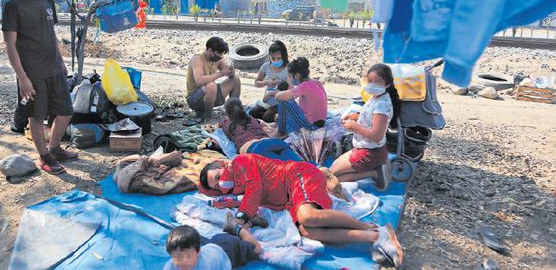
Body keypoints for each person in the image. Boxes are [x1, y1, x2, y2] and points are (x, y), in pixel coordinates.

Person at [198, 154, 403, 268]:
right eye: (216, 185)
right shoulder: (235, 188)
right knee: (307, 232)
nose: (220, 183)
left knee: (308, 216)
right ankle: (373, 237)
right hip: (289, 200)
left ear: (222, 164)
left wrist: (242, 217)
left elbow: (255, 189)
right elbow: (231, 200)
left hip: (296, 176)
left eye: (217, 176)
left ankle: (375, 228)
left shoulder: (242, 161)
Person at [2, 0, 77, 175]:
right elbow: (10, 45)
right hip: (32, 71)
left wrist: (61, 61)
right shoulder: (13, 4)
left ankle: (54, 148)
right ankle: (44, 156)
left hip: (54, 66)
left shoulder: (47, 0)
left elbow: (51, 34)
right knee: (37, 115)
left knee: (66, 111)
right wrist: (23, 79)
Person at [329, 64, 400, 190]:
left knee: (331, 178)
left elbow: (377, 136)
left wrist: (354, 126)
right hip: (367, 148)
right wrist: (355, 116)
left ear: (387, 83)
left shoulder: (382, 106)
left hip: (369, 152)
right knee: (332, 172)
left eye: (377, 81)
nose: (372, 84)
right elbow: (370, 118)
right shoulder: (377, 97)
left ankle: (375, 173)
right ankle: (376, 168)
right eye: (370, 81)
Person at [216, 97, 301, 161]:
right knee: (302, 164)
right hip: (272, 142)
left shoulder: (226, 122)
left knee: (289, 167)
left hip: (255, 148)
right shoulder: (251, 118)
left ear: (227, 112)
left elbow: (215, 127)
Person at [186, 37, 241, 122]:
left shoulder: (217, 59)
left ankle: (233, 114)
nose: (220, 57)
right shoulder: (198, 60)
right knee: (211, 85)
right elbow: (199, 80)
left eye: (221, 54)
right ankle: (208, 118)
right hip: (194, 98)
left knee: (235, 80)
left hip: (211, 95)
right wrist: (220, 74)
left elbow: (227, 72)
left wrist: (231, 71)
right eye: (218, 54)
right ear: (210, 50)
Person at [164, 223, 260, 270]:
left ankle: (240, 230)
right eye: (178, 257)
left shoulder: (205, 266)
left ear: (198, 253)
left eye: (188, 256)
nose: (184, 262)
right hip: (215, 242)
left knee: (257, 249)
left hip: (230, 251)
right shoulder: (170, 266)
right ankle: (233, 230)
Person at [274, 57, 328, 135]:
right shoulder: (316, 82)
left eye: (290, 76)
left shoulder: (305, 86)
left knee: (284, 102)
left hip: (312, 126)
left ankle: (279, 132)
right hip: (320, 122)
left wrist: (287, 85)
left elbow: (278, 96)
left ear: (296, 76)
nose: (289, 78)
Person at [249, 40, 290, 123]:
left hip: (281, 102)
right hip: (268, 101)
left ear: (284, 57)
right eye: (273, 58)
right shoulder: (266, 66)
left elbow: (290, 89)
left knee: (267, 116)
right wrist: (266, 82)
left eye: (279, 58)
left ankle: (272, 117)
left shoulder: (288, 68)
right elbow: (256, 83)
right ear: (269, 57)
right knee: (252, 112)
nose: (276, 61)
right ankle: (271, 117)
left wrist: (277, 90)